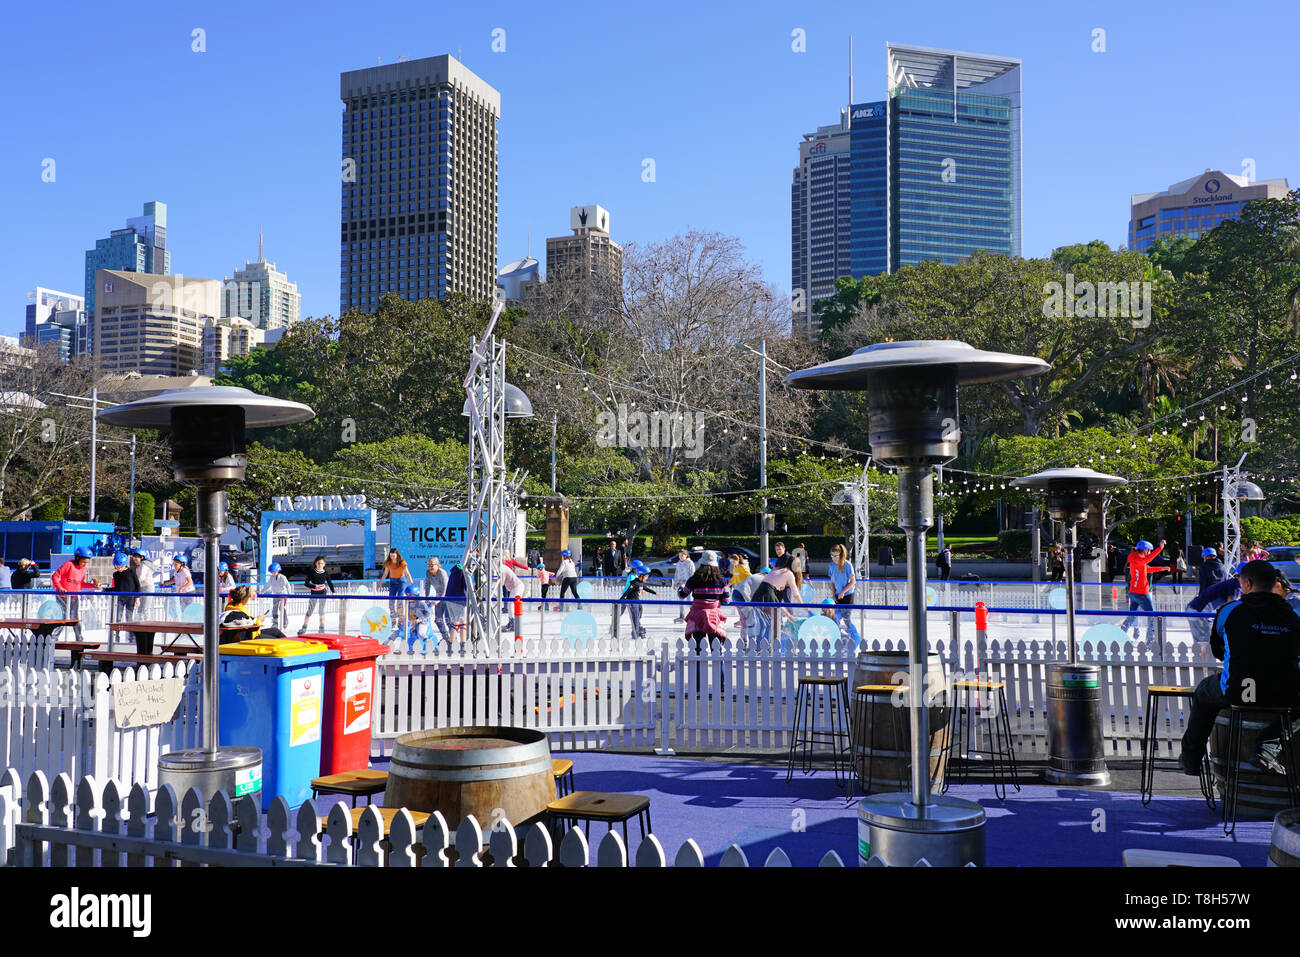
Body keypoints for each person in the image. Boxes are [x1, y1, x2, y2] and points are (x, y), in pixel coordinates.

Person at [1179, 560, 1300, 775]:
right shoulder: (1294, 616)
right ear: (1274, 584)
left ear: (1247, 584)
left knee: (1204, 692)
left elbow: (1219, 651)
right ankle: (1268, 745)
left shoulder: (1229, 611)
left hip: (1239, 692)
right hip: (1285, 694)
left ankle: (1191, 757)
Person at [678, 551, 731, 650]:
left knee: (698, 648)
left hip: (697, 615)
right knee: (716, 648)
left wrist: (680, 587)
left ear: (701, 563)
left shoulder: (694, 579)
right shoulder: (722, 580)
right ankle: (718, 666)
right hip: (715, 617)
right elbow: (727, 600)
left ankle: (698, 666)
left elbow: (682, 595)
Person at [1119, 539, 1164, 641]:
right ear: (1145, 550)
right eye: (1149, 551)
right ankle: (1151, 641)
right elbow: (1148, 560)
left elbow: (1146, 569)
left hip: (1133, 592)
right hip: (1142, 593)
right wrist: (1160, 548)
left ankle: (1121, 633)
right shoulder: (1140, 559)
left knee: (1132, 616)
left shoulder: (1134, 558)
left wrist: (1161, 568)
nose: (1149, 553)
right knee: (1151, 616)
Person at [51, 547, 99, 640]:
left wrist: (93, 586)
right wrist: (60, 588)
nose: (85, 564)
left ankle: (79, 637)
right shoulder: (69, 565)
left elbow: (80, 583)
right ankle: (55, 636)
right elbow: (55, 576)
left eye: (87, 563)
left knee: (75, 617)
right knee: (63, 616)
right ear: (77, 558)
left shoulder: (83, 569)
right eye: (83, 562)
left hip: (74, 596)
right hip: (63, 596)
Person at [221, 585, 288, 644]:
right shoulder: (242, 612)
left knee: (275, 630)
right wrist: (259, 620)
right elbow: (253, 632)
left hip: (241, 635)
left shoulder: (230, 606)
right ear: (245, 599)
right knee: (276, 638)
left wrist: (249, 592)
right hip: (248, 637)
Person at [611, 561, 656, 639]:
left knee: (639, 609)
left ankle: (637, 623)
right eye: (638, 568)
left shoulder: (636, 575)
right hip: (627, 597)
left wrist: (641, 589)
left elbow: (639, 585)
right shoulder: (632, 576)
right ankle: (613, 627)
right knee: (620, 612)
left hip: (632, 597)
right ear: (634, 569)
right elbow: (634, 585)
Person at [435, 561, 469, 645]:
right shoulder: (463, 573)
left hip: (449, 599)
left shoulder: (453, 573)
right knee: (462, 623)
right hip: (459, 600)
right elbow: (467, 587)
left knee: (455, 622)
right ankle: (463, 643)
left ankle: (451, 642)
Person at [299, 556, 335, 635]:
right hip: (314, 592)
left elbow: (329, 582)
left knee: (321, 610)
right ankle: (304, 627)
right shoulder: (312, 572)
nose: (320, 565)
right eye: (318, 563)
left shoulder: (325, 573)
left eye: (321, 563)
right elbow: (306, 583)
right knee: (310, 610)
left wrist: (333, 592)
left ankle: (322, 628)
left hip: (323, 592)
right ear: (316, 564)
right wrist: (315, 586)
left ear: (324, 564)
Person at [379, 548, 414, 617]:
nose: (392, 557)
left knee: (400, 600)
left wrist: (411, 583)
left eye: (393, 556)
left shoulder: (402, 562)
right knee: (391, 600)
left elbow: (408, 573)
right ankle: (393, 616)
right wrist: (379, 583)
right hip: (392, 581)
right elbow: (385, 574)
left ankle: (400, 617)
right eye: (391, 556)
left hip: (401, 581)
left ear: (397, 555)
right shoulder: (388, 562)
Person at [107, 552, 140, 622]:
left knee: (129, 617)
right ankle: (116, 632)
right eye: (117, 567)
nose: (119, 569)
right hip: (120, 598)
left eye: (121, 567)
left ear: (125, 565)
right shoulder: (115, 574)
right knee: (118, 617)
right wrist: (104, 590)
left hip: (130, 597)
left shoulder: (131, 572)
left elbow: (137, 585)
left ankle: (130, 633)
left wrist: (137, 598)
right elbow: (116, 588)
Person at [828, 544, 856, 622]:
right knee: (836, 618)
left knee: (846, 619)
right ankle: (839, 633)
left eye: (836, 556)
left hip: (848, 595)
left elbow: (853, 581)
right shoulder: (831, 566)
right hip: (837, 595)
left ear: (841, 555)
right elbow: (832, 582)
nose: (834, 558)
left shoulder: (847, 565)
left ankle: (853, 634)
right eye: (832, 556)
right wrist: (834, 595)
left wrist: (843, 592)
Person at [263, 561, 292, 630]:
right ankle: (275, 623)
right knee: (274, 609)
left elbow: (287, 585)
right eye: (271, 572)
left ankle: (285, 622)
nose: (272, 573)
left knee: (282, 608)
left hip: (283, 594)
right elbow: (268, 585)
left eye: (274, 572)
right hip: (275, 594)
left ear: (277, 570)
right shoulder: (271, 578)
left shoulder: (282, 577)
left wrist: (290, 593)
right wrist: (262, 591)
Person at [130, 550, 157, 620]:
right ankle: (140, 623)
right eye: (134, 558)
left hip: (147, 587)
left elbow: (141, 577)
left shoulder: (144, 565)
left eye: (136, 558)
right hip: (141, 587)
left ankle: (146, 624)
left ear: (142, 557)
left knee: (145, 608)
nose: (134, 560)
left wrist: (133, 584)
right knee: (140, 608)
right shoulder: (138, 566)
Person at [671, 549, 695, 623]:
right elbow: (677, 573)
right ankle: (682, 616)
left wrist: (688, 584)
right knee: (681, 600)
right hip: (680, 584)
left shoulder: (690, 563)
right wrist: (675, 582)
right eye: (679, 556)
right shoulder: (678, 563)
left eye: (682, 555)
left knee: (689, 600)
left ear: (686, 555)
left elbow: (692, 575)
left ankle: (693, 616)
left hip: (688, 585)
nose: (680, 557)